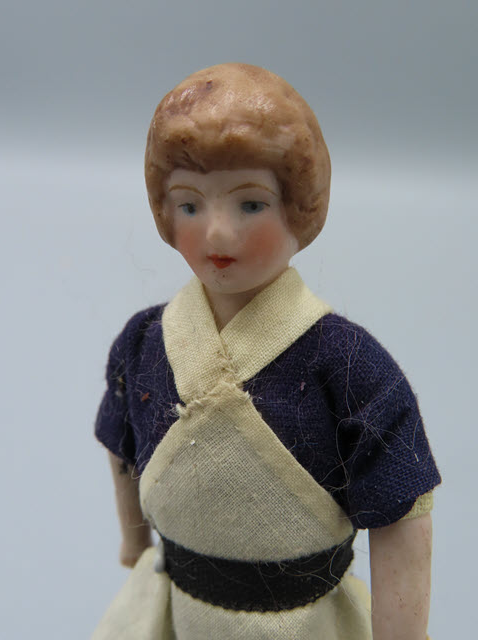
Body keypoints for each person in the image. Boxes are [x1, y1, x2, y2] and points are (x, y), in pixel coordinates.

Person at [93, 63, 441, 640]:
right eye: (189, 205)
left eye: (250, 204)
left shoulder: (347, 365)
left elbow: (402, 508)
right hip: (179, 607)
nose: (216, 234)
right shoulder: (144, 340)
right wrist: (135, 543)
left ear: (298, 208)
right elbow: (122, 447)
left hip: (303, 620)